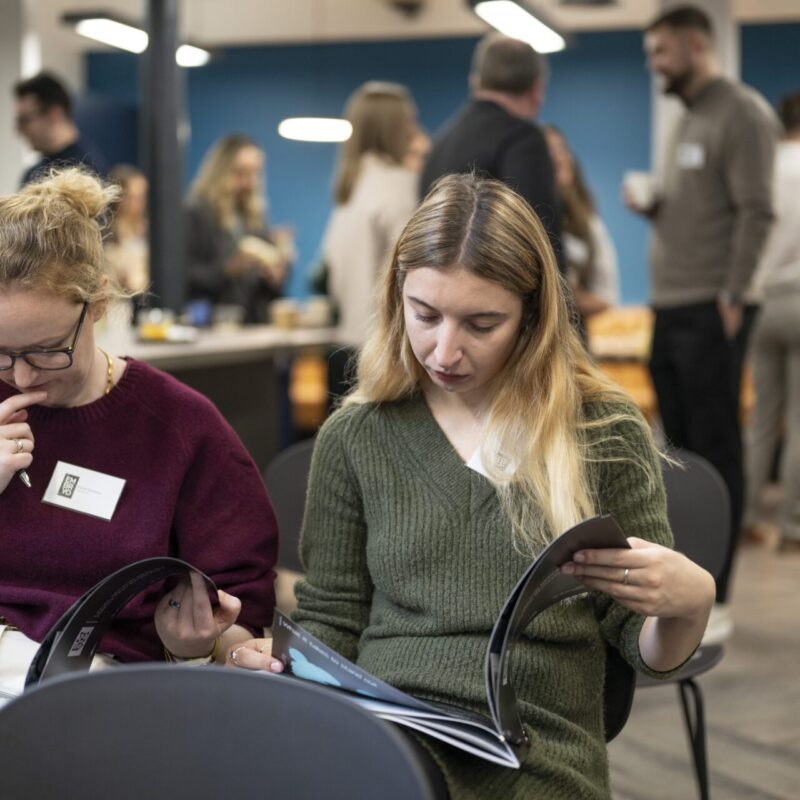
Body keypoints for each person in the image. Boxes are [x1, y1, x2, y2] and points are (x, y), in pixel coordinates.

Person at [222, 174, 715, 799]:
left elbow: (640, 647)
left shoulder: (601, 429)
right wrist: (269, 660)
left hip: (533, 750)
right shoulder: (358, 434)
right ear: (395, 296)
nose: (444, 350)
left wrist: (688, 604)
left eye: (482, 324)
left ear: (532, 317)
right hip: (386, 733)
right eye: (424, 314)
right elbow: (332, 620)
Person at [0, 169, 277, 700]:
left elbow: (244, 632)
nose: (22, 377)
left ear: (99, 304)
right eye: (3, 354)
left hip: (103, 695)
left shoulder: (180, 429)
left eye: (46, 349)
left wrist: (198, 648)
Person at [627, 5, 778, 642]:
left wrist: (735, 293)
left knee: (715, 446)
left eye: (661, 51)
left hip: (710, 307)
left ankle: (716, 591)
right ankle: (688, 581)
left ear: (695, 45)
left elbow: (756, 210)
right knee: (680, 450)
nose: (654, 64)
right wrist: (656, 208)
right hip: (671, 303)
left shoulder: (740, 111)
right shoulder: (686, 117)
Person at [421, 33, 564, 272]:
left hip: (439, 291)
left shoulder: (441, 141)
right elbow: (540, 240)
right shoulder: (523, 139)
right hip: (494, 295)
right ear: (536, 89)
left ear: (475, 81)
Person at [322, 81, 421, 400]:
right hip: (383, 351)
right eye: (409, 122)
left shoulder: (348, 189)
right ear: (393, 128)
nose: (414, 131)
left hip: (344, 346)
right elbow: (412, 272)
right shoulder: (399, 185)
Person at [743, 91, 800, 554]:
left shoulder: (766, 165)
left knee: (762, 416)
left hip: (761, 302)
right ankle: (792, 527)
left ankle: (745, 518)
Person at [185, 134, 293, 325]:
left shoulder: (255, 218)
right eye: (241, 173)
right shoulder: (196, 212)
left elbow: (269, 289)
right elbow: (184, 276)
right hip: (211, 327)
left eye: (255, 174)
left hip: (252, 325)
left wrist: (275, 273)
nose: (249, 183)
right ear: (221, 171)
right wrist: (229, 269)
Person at [544, 125, 619, 328]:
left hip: (573, 339)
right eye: (548, 151)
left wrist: (568, 297)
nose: (557, 157)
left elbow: (606, 297)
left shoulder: (588, 225)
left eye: (561, 149)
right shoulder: (521, 222)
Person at [14, 72, 108, 186]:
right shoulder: (32, 174)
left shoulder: (88, 176)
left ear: (54, 114)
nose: (18, 129)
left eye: (25, 120)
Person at [105, 164, 149, 297]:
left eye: (142, 197)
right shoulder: (106, 233)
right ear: (119, 198)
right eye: (133, 197)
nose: (139, 203)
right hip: (119, 303)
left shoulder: (148, 230)